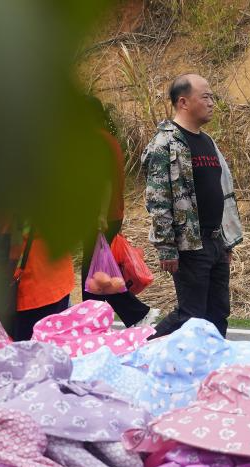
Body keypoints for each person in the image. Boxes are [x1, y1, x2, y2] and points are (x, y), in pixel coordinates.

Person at [143, 73, 243, 338]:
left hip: (215, 241)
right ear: (183, 102)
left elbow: (223, 192)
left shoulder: (208, 141)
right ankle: (147, 346)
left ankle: (213, 361)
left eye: (212, 97)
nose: (211, 103)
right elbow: (158, 199)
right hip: (189, 245)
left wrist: (227, 242)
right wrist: (166, 247)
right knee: (191, 315)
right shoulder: (165, 144)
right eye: (206, 97)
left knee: (218, 313)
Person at [82, 96, 159, 328]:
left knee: (92, 276)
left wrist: (100, 215)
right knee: (97, 273)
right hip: (109, 214)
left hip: (101, 216)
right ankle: (100, 322)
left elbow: (104, 181)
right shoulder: (107, 139)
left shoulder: (97, 141)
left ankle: (136, 315)